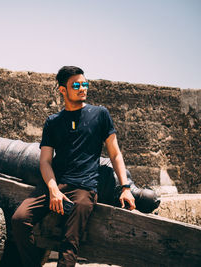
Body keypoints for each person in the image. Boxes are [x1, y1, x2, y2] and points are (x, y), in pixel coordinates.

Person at [11, 66, 136, 267]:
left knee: (69, 243)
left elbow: (115, 154)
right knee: (19, 220)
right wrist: (53, 190)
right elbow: (45, 161)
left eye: (84, 84)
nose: (82, 88)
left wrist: (126, 188)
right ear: (62, 90)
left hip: (84, 188)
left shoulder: (100, 114)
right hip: (55, 184)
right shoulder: (53, 121)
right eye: (76, 85)